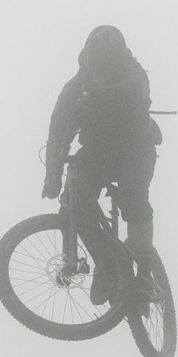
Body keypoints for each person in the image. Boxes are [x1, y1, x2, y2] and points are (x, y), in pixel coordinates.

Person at [43, 25, 164, 276]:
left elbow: (135, 91)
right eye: (96, 67)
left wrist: (100, 95)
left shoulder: (135, 74)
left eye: (107, 67)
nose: (100, 74)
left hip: (136, 147)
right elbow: (57, 129)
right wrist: (51, 176)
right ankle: (107, 264)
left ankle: (143, 273)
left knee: (134, 197)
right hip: (98, 151)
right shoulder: (75, 87)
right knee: (72, 203)